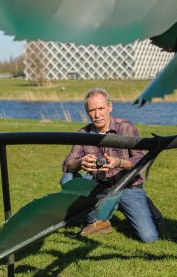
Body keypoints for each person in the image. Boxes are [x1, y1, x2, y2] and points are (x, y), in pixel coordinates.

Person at [61, 88, 160, 242]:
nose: (97, 114)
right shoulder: (83, 133)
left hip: (128, 187)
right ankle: (97, 222)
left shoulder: (126, 127)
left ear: (110, 107)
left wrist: (118, 162)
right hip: (100, 187)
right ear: (87, 112)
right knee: (68, 178)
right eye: (92, 110)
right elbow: (67, 165)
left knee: (149, 237)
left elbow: (142, 161)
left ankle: (147, 208)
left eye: (100, 108)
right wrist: (81, 162)